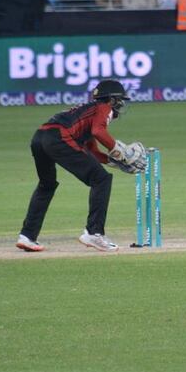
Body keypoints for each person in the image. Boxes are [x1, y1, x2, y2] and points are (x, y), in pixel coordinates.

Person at [17, 80, 147, 253]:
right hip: (58, 138)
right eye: (119, 100)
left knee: (46, 185)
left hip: (40, 138)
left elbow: (91, 151)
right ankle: (94, 233)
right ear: (111, 100)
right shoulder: (103, 107)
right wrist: (117, 149)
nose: (120, 105)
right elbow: (98, 132)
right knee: (101, 179)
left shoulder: (87, 113)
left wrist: (118, 162)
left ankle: (27, 236)